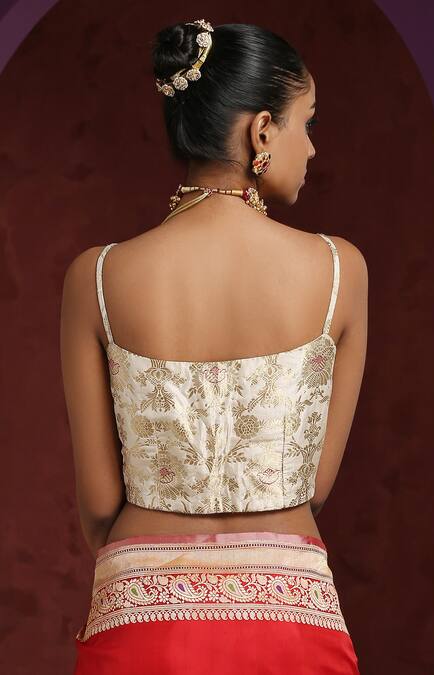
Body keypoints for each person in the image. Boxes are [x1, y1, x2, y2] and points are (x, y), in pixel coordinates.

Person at [60, 18, 367, 674]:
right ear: (262, 132)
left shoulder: (97, 277)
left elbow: (99, 506)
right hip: (291, 622)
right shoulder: (340, 270)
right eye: (307, 122)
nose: (312, 148)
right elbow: (313, 487)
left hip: (142, 620)